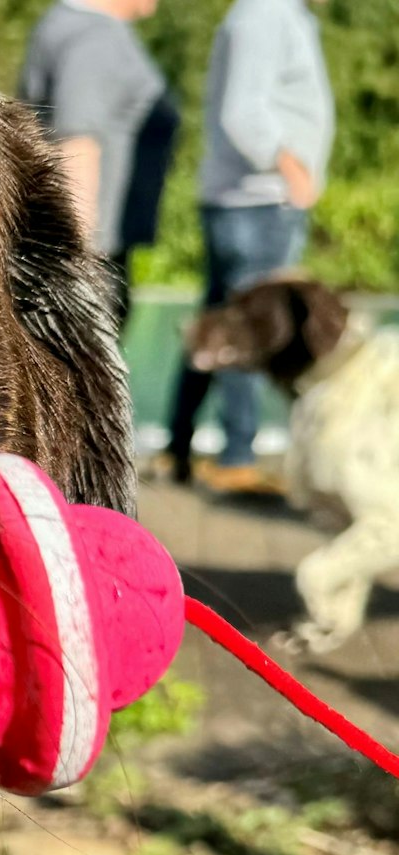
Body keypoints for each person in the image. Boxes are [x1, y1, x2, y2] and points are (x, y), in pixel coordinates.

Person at [163, 0, 333, 491]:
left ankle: (180, 449)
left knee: (219, 323)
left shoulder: (271, 14)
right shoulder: (264, 14)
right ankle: (237, 458)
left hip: (249, 202)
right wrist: (293, 169)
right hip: (257, 203)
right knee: (254, 329)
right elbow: (243, 112)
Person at [17, 0, 177, 328]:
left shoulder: (72, 25)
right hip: (90, 250)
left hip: (86, 247)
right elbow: (77, 142)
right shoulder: (93, 36)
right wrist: (79, 257)